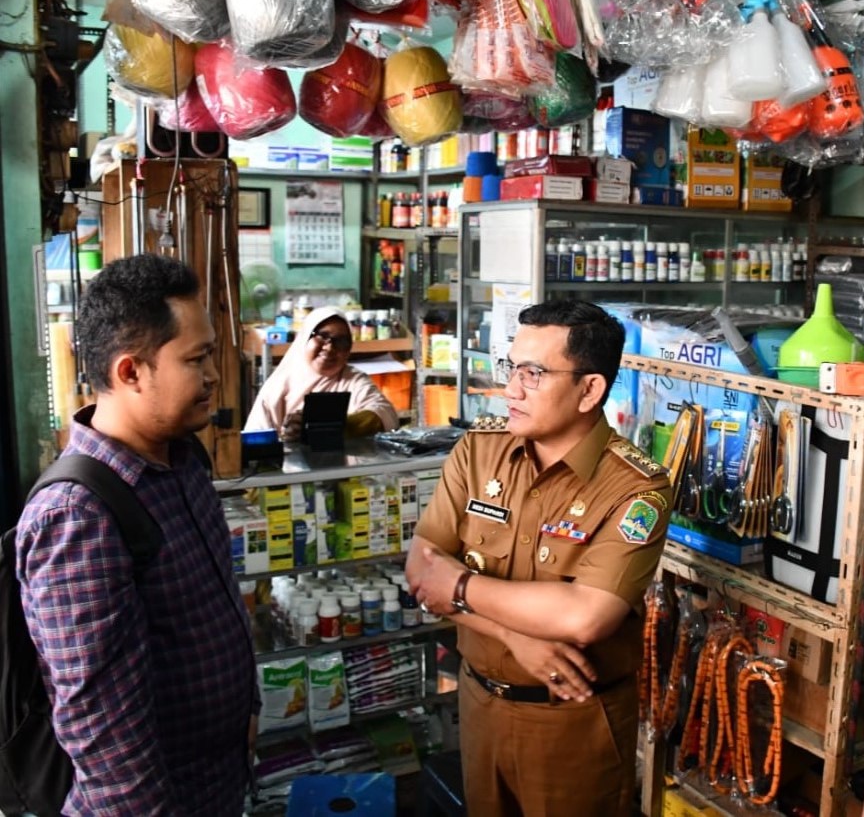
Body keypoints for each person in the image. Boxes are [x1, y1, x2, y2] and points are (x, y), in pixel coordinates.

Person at [406, 299, 672, 816]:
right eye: (511, 368)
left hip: (573, 722)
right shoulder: (478, 450)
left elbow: (586, 615)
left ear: (589, 390)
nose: (510, 389)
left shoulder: (636, 487)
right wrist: (514, 636)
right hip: (478, 703)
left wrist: (458, 587)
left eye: (533, 373)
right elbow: (422, 569)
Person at [15, 254, 258, 815]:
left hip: (215, 781)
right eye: (196, 359)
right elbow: (100, 729)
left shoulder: (182, 458)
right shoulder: (78, 515)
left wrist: (243, 707)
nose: (215, 375)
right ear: (130, 372)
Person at [244, 306, 399, 441]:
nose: (330, 348)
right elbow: (256, 441)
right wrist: (288, 437)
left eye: (341, 341)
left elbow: (385, 414)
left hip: (345, 469)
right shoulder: (277, 388)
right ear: (305, 338)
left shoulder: (353, 380)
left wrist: (331, 427)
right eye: (323, 337)